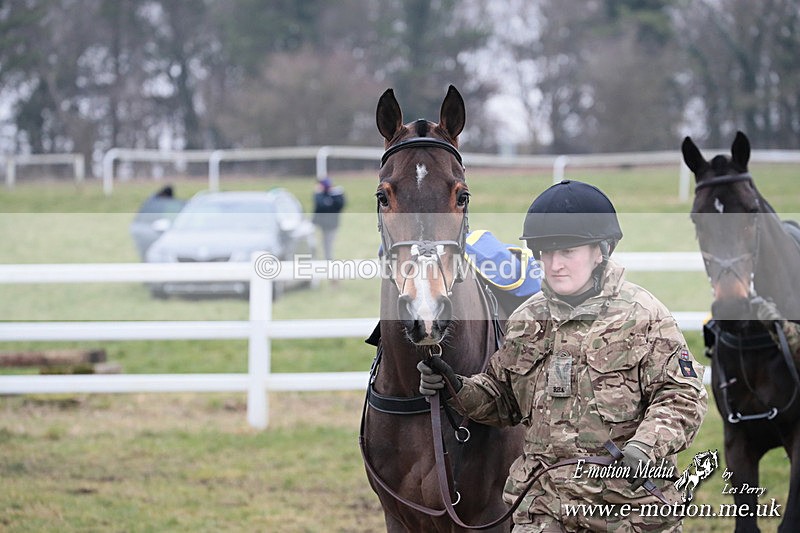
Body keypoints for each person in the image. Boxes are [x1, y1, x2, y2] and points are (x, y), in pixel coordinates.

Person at [418, 179, 708, 532]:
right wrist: (455, 387)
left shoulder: (644, 316)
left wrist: (644, 447)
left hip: (628, 512)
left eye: (567, 251)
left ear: (601, 251)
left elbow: (682, 396)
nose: (555, 264)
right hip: (543, 512)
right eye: (546, 252)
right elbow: (502, 398)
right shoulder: (526, 320)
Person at [312, 177, 346, 262]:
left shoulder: (336, 195)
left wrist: (332, 196)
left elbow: (339, 205)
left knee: (328, 243)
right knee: (314, 242)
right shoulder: (320, 195)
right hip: (319, 223)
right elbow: (320, 205)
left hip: (331, 224)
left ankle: (328, 260)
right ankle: (315, 258)